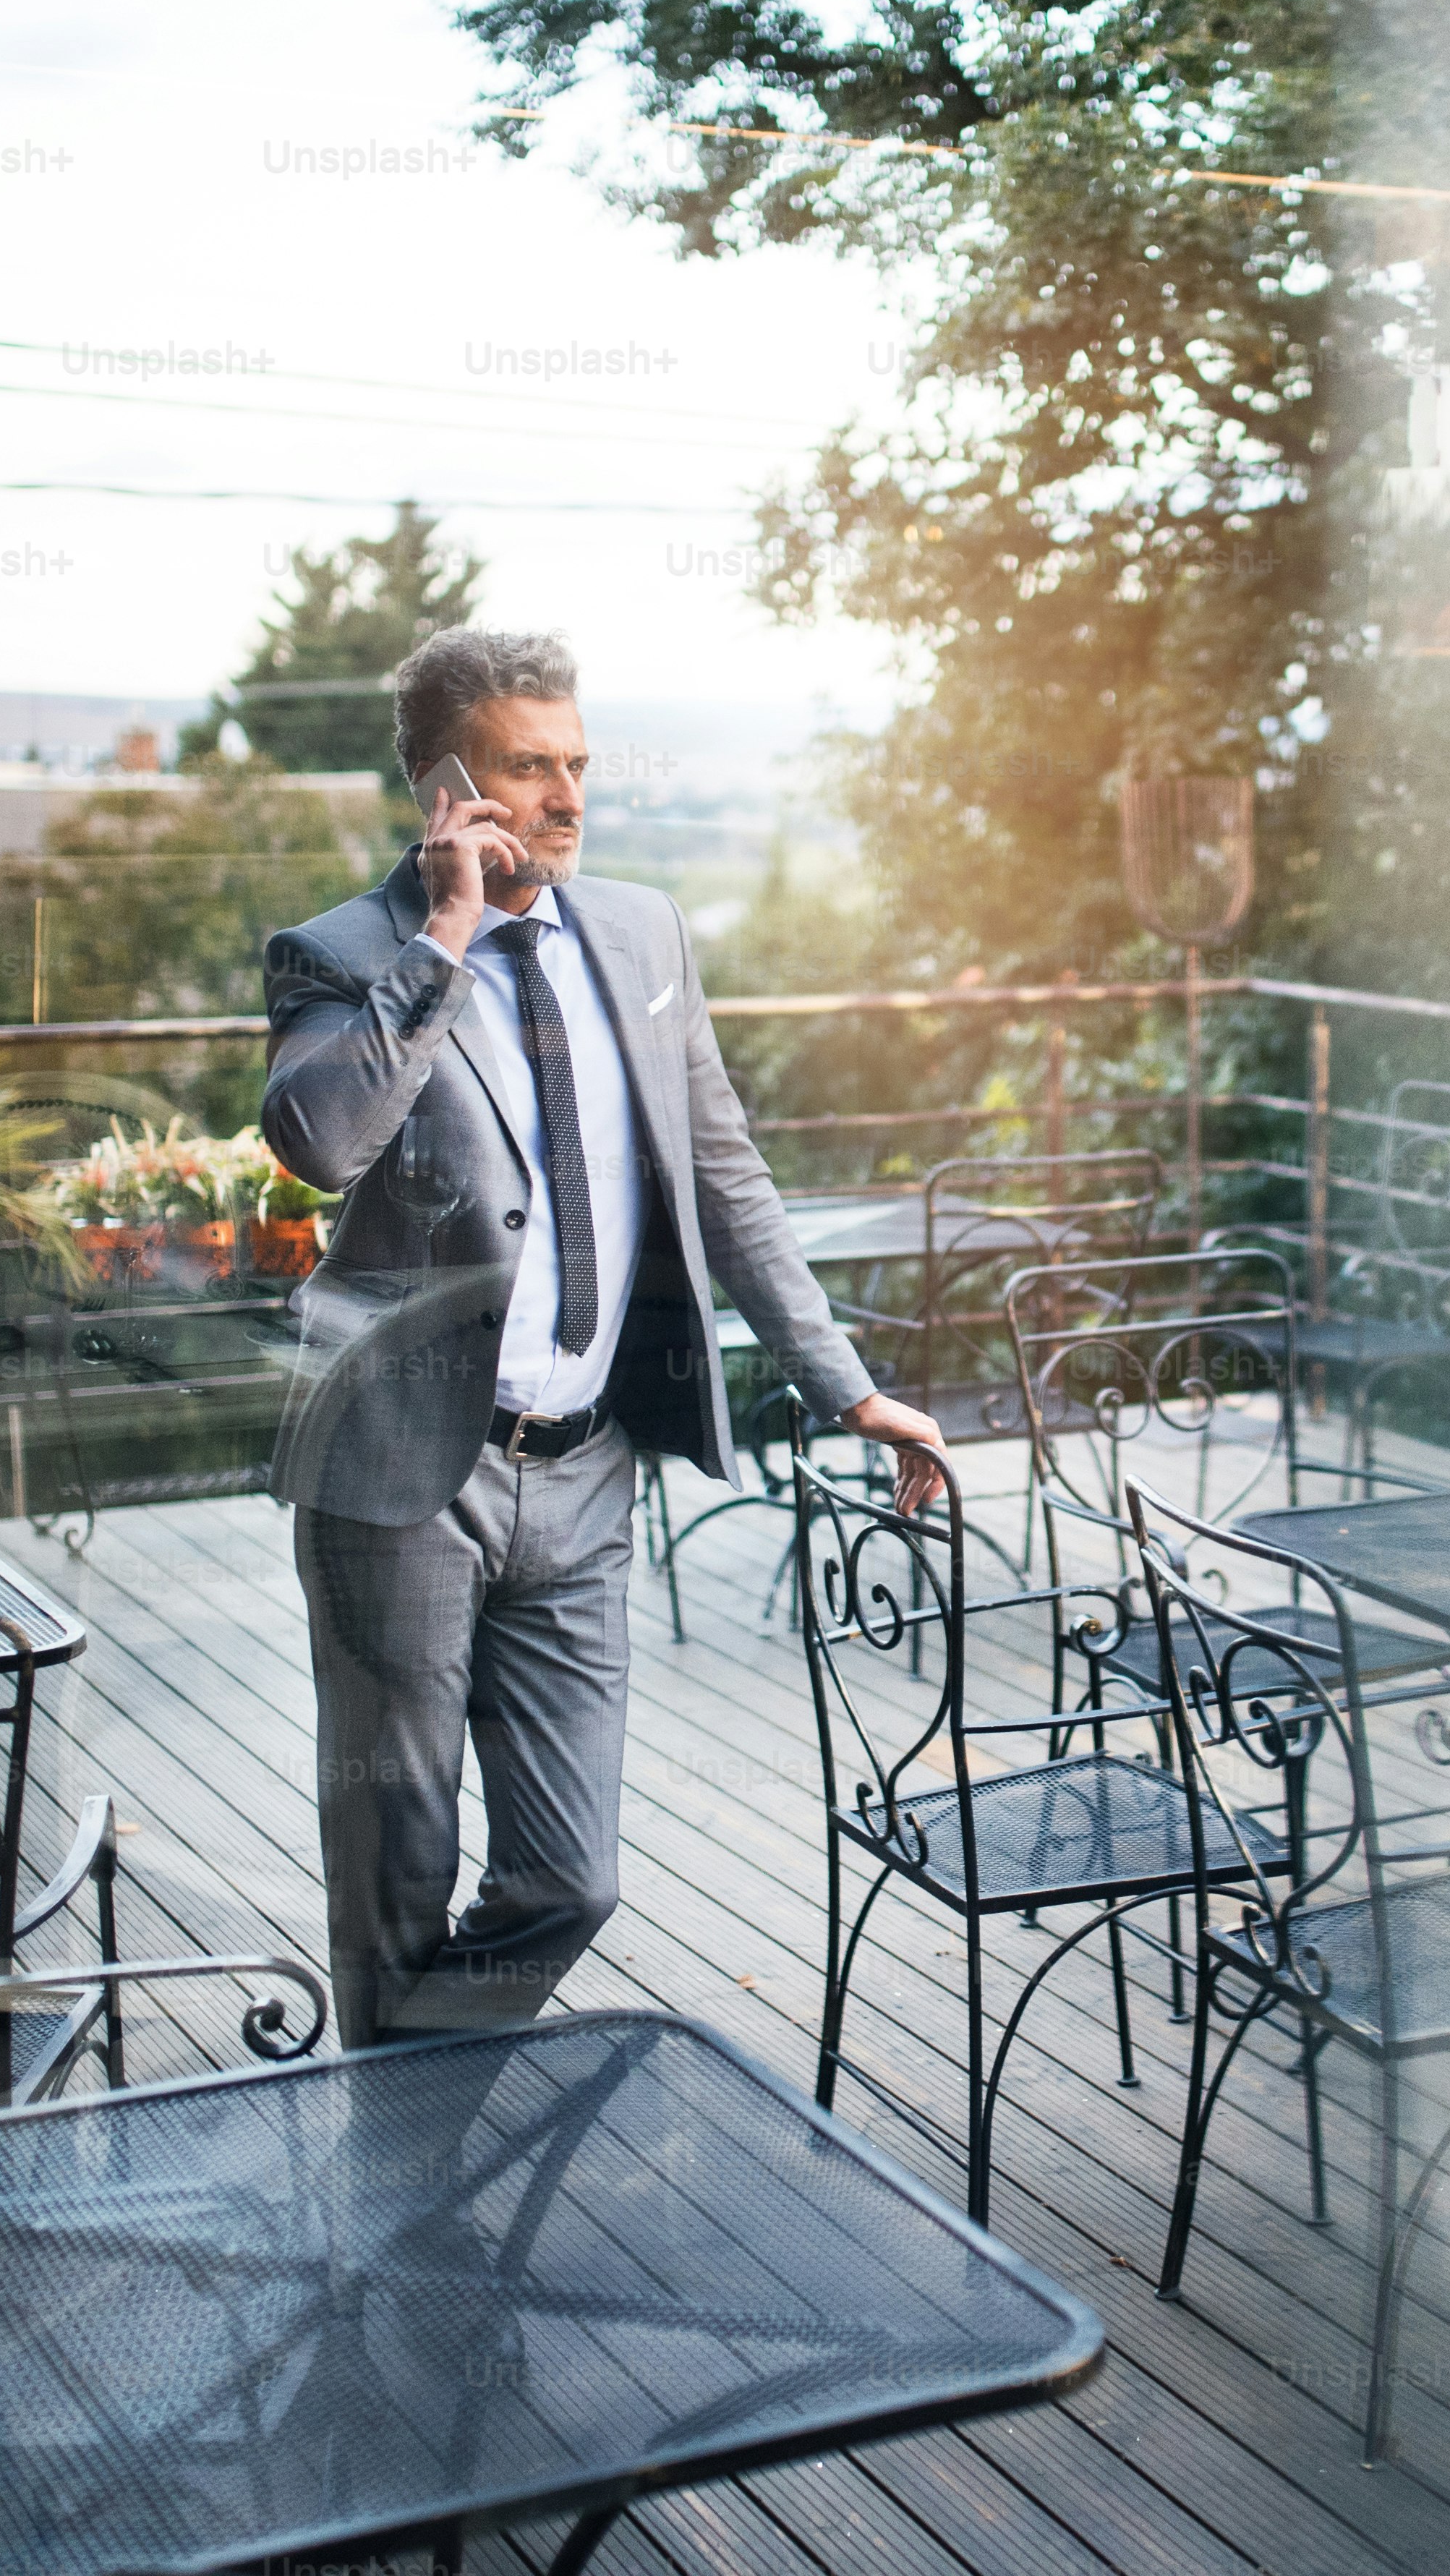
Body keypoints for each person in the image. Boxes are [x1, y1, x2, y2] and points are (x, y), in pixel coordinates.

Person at [258, 627, 946, 2045]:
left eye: (577, 763)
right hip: (399, 1471)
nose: (570, 796)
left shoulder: (641, 936)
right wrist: (447, 935)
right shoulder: (342, 952)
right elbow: (320, 1143)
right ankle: (401, 2167)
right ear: (448, 788)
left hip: (586, 1470)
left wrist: (845, 1386)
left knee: (573, 1874)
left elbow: (725, 1174)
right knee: (398, 1858)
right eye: (530, 766)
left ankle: (419, 2077)